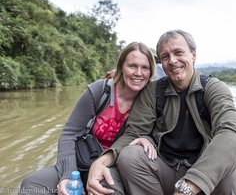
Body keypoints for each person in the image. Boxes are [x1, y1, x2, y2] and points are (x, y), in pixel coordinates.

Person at [87, 29, 236, 195]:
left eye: (178, 53)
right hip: (165, 166)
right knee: (130, 156)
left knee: (231, 176)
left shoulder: (213, 88)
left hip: (203, 167)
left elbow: (231, 132)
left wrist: (189, 186)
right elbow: (134, 133)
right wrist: (101, 161)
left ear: (193, 55)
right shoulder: (152, 91)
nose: (172, 61)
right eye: (165, 57)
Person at [19, 42, 155, 195]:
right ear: (121, 67)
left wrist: (147, 139)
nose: (138, 73)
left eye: (145, 68)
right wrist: (67, 176)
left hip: (113, 166)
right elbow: (69, 134)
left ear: (151, 72)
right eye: (132, 66)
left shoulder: (151, 100)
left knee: (106, 190)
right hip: (82, 160)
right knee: (31, 184)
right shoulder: (99, 91)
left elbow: (160, 135)